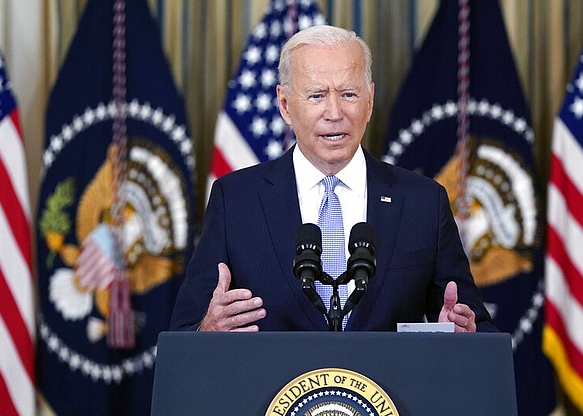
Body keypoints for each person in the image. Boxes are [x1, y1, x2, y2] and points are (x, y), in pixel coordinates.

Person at [169, 24, 496, 333]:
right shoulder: (236, 201)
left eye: (349, 95)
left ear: (369, 102)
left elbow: (476, 331)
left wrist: (464, 333)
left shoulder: (423, 203)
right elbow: (184, 335)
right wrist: (207, 329)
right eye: (316, 96)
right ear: (285, 104)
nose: (335, 112)